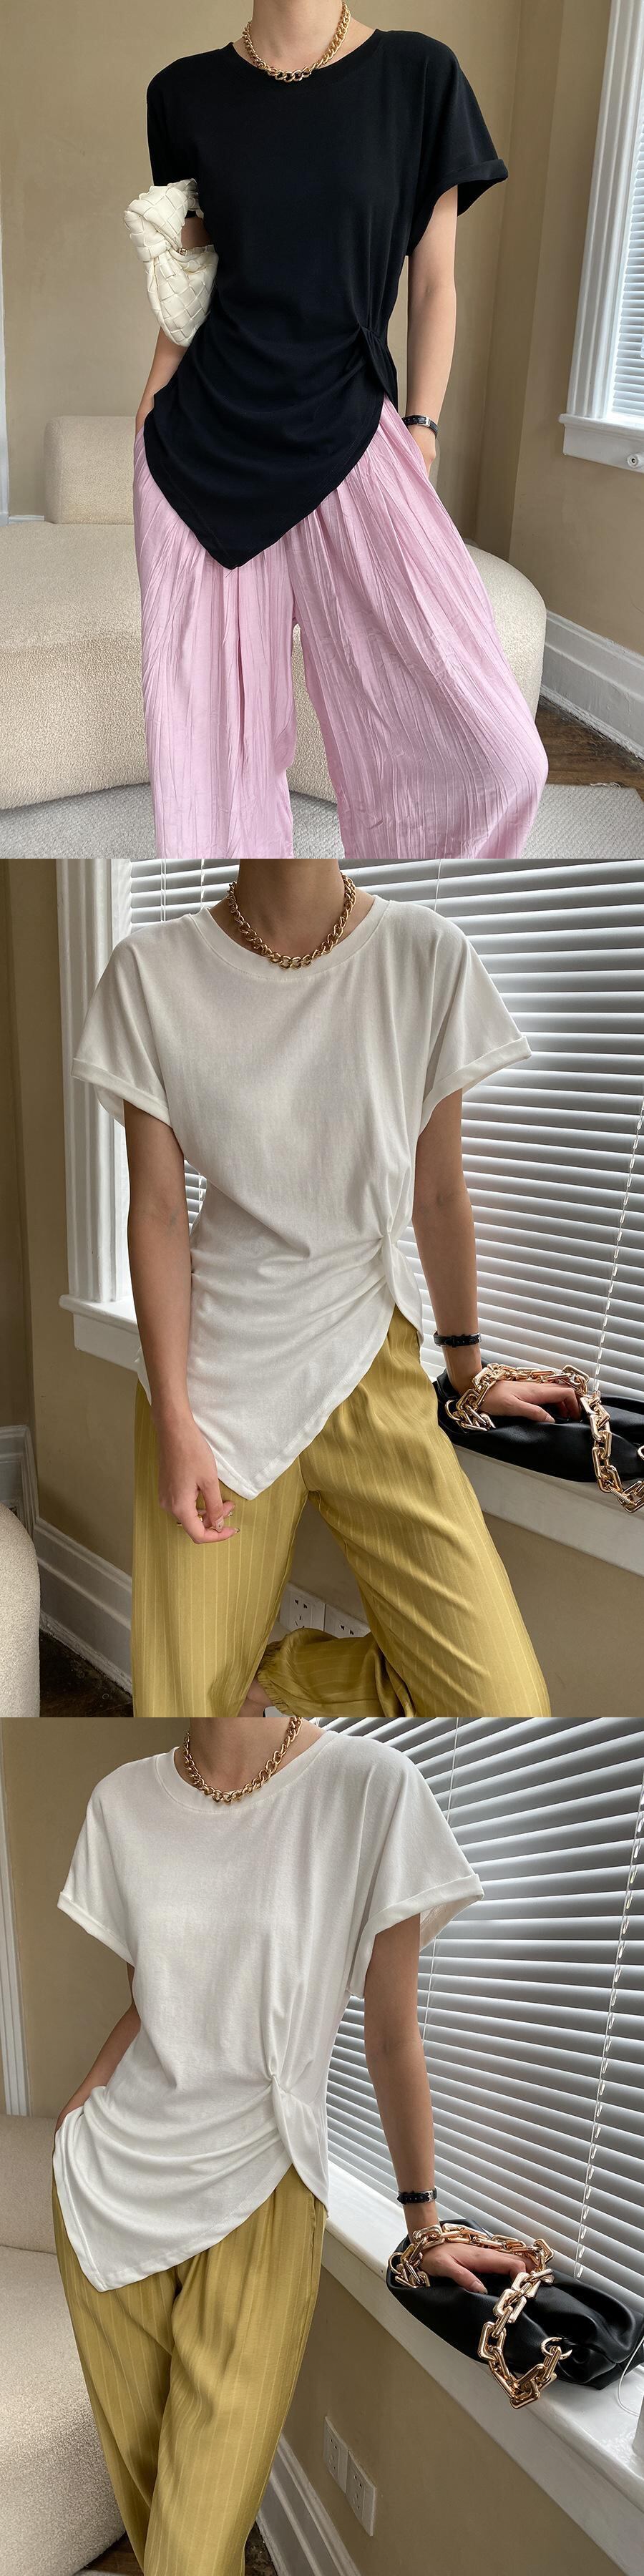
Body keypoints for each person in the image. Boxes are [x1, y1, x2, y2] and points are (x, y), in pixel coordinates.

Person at [71, 862, 580, 1721]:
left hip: (372, 1355)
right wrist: (175, 1420)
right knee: (180, 1707)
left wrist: (467, 1372)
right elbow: (157, 1213)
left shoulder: (424, 953)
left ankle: (267, 1678)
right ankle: (223, 1689)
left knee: (500, 1699)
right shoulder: (151, 971)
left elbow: (437, 1193)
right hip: (216, 1383)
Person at [52, 1717, 538, 2576]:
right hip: (106, 2193)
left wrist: (423, 2223)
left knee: (188, 2552)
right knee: (155, 2517)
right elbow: (156, 2002)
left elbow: (392, 2037)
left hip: (264, 2185)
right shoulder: (121, 1801)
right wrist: (84, 2098)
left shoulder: (371, 1786)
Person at [132, 6, 549, 862]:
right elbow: (195, 268)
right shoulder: (181, 93)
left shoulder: (420, 76)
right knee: (210, 780)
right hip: (199, 445)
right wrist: (152, 399)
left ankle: (390, 914)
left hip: (353, 426)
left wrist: (422, 424)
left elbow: (434, 283)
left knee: (499, 759)